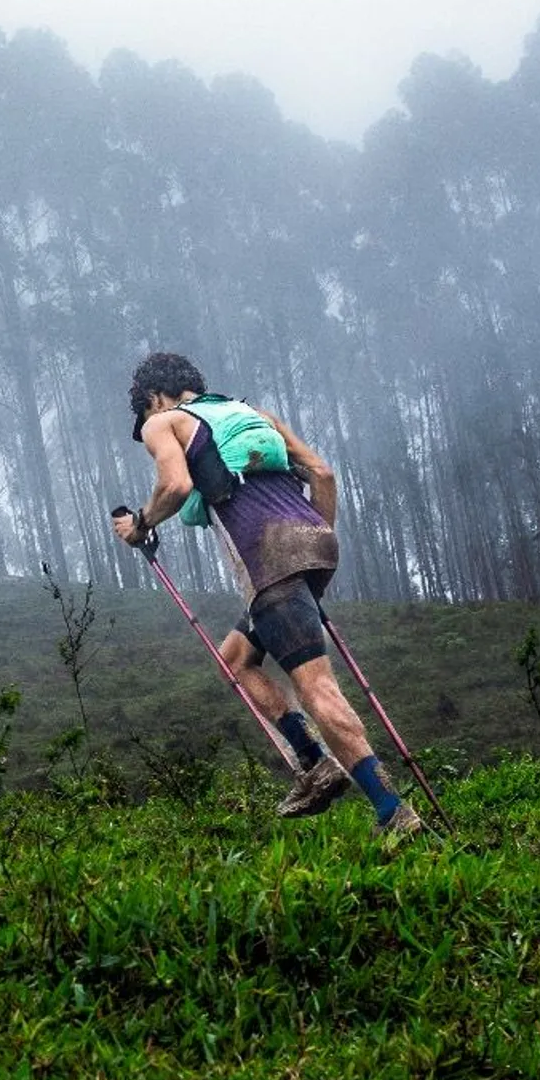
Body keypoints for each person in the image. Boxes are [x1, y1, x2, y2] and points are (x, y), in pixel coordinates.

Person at [112, 352, 425, 842]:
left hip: (268, 556)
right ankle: (314, 761)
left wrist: (143, 524)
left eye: (145, 411)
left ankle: (393, 811)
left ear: (154, 397)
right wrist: (312, 540)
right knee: (235, 659)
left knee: (317, 687)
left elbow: (175, 484)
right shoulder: (252, 414)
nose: (147, 427)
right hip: (316, 542)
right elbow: (322, 474)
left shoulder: (164, 422)